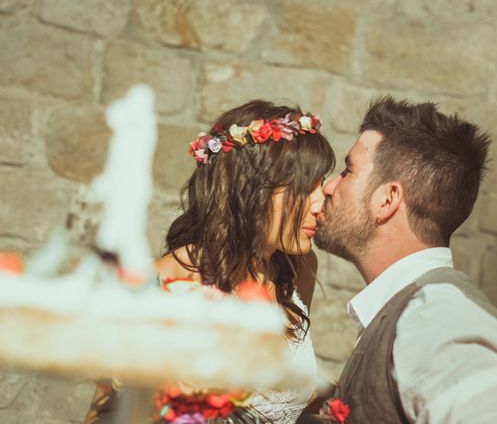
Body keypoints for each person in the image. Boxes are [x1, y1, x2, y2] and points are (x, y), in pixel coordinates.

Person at [84, 100, 335, 424]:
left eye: (322, 184)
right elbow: (103, 414)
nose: (321, 203)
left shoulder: (295, 270)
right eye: (307, 187)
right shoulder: (163, 284)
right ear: (254, 189)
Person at [312, 96, 497, 423]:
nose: (330, 187)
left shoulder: (442, 317)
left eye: (348, 171)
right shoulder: (419, 311)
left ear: (387, 200)